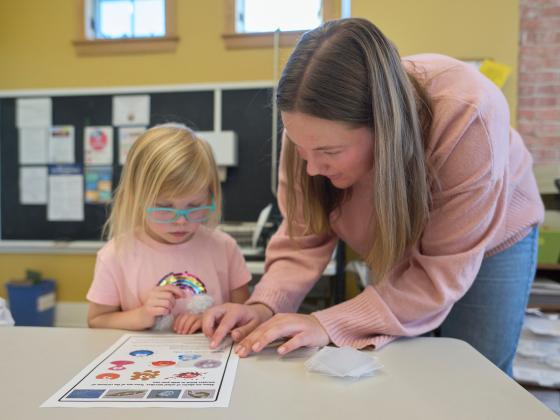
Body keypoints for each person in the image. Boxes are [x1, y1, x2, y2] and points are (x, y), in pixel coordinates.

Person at [202, 17, 544, 375]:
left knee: (476, 375)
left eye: (329, 153)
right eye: (303, 151)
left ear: (384, 129)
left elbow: (434, 278)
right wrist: (264, 306)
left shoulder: (469, 113)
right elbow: (302, 241)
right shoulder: (309, 133)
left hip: (493, 239)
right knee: (408, 372)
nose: (312, 170)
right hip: (401, 233)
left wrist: (326, 323)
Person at [87, 124, 251, 333]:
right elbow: (97, 320)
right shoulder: (115, 255)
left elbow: (244, 314)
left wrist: (213, 320)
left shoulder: (224, 248)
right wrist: (142, 315)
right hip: (143, 362)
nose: (180, 221)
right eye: (164, 208)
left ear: (211, 197)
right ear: (136, 199)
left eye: (194, 206)